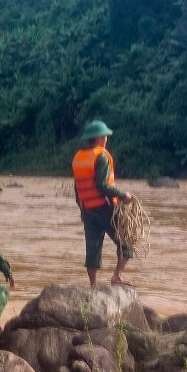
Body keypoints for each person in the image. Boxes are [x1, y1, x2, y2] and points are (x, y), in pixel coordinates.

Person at [71, 120, 134, 288]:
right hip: (105, 207)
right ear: (99, 138)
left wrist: (82, 209)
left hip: (87, 209)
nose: (106, 138)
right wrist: (123, 195)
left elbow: (77, 188)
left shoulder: (78, 157)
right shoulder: (102, 157)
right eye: (105, 136)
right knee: (127, 241)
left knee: (92, 248)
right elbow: (102, 185)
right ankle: (117, 276)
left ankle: (93, 285)